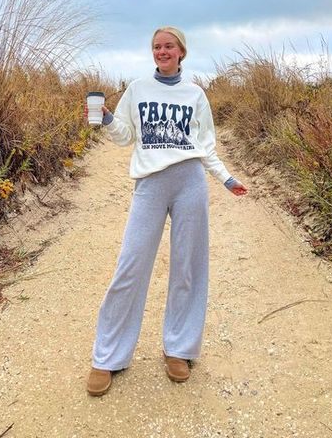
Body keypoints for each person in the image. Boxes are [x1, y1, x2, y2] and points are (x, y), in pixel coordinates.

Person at [86, 26, 248, 396]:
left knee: (188, 266)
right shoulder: (138, 89)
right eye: (157, 46)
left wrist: (225, 178)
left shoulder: (196, 95)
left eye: (168, 46)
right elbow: (127, 136)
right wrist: (108, 119)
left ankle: (179, 348)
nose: (162, 51)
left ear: (181, 52)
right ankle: (107, 356)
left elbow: (206, 145)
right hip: (151, 185)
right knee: (130, 264)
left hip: (190, 181)